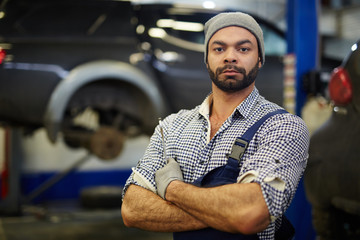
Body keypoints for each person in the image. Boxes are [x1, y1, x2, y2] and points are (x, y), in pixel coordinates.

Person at [121, 12, 309, 240]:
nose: (230, 57)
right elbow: (132, 210)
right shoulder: (171, 127)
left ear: (260, 59)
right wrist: (227, 213)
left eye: (243, 49)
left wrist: (172, 188)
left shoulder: (282, 127)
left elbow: (251, 213)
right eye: (219, 49)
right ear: (207, 59)